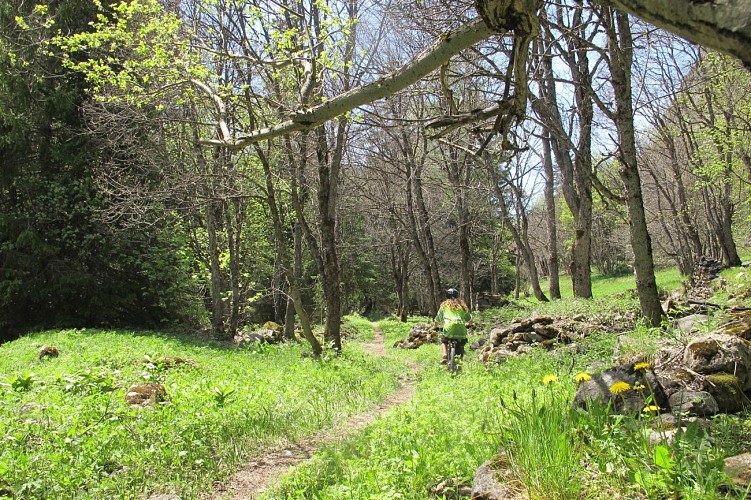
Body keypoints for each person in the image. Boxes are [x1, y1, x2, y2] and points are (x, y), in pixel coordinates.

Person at [434, 288, 472, 365]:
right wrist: (470, 324)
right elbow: (470, 319)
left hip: (449, 328)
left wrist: (435, 327)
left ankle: (444, 354)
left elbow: (437, 319)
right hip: (461, 329)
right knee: (461, 343)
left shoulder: (444, 306)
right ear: (457, 296)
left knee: (444, 341)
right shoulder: (462, 306)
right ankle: (460, 359)